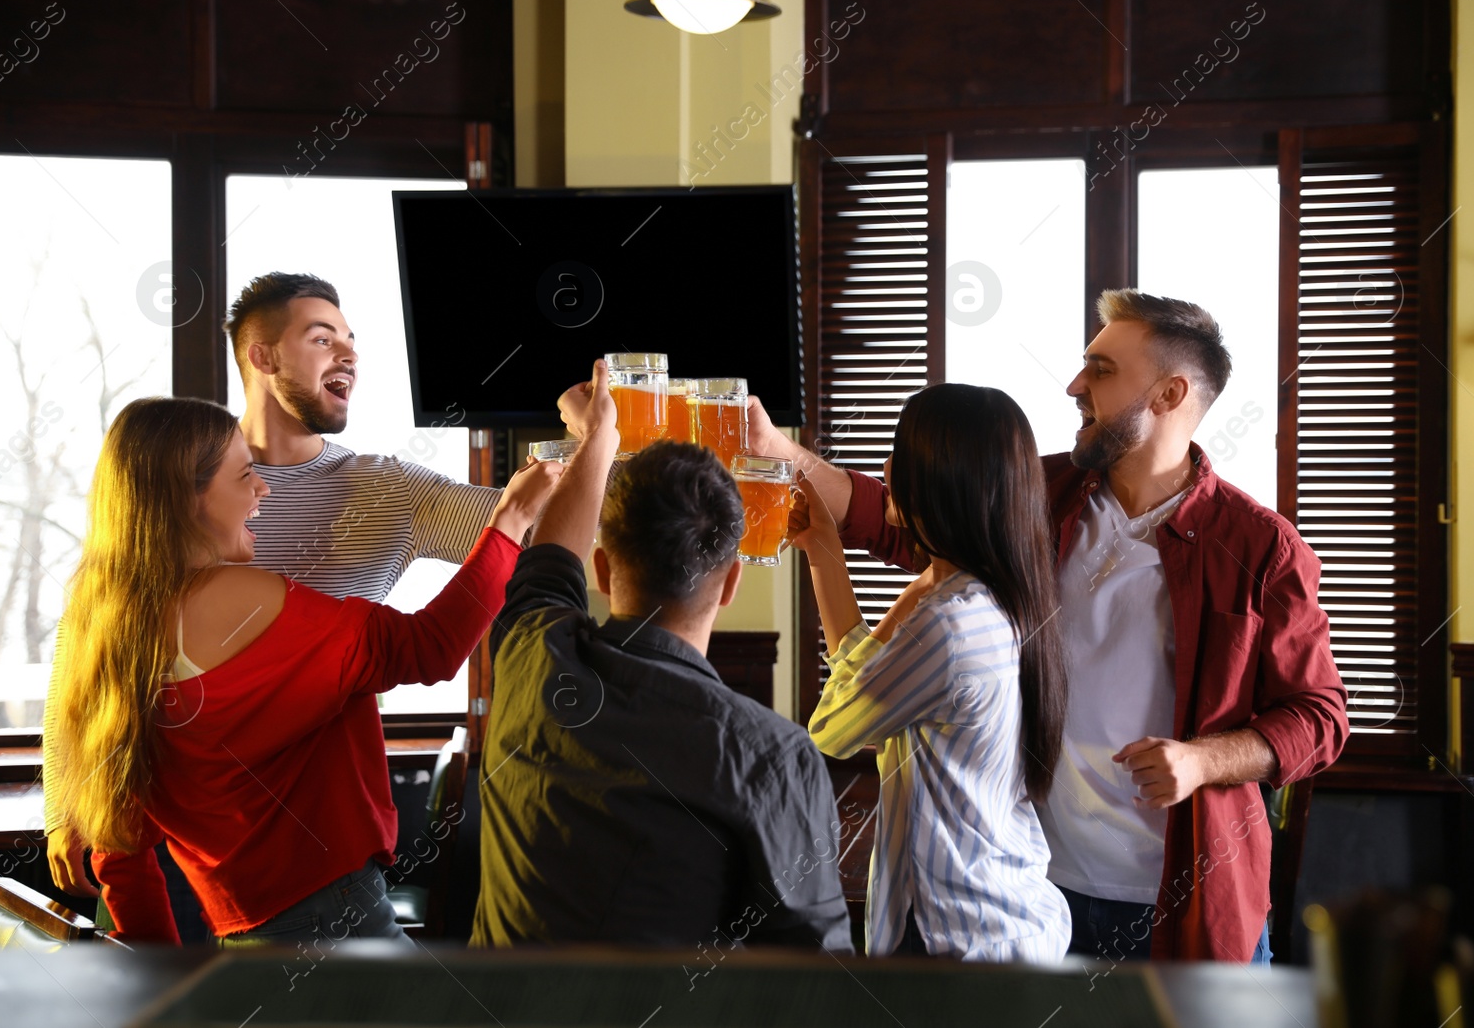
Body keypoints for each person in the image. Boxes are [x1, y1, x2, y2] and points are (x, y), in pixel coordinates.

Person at [753, 289, 1349, 963]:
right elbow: (910, 516)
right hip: (1038, 894)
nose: (1074, 385)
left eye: (1100, 370)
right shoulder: (1042, 495)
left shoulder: (1261, 545)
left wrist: (1202, 759)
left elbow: (1319, 717)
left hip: (1183, 907)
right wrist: (781, 452)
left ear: (1169, 392)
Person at [45, 272, 507, 909]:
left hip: (303, 853)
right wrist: (65, 797)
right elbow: (92, 636)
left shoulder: (388, 492)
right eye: (323, 339)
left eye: (351, 340)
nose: (349, 354)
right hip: (165, 850)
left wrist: (638, 456)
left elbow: (524, 528)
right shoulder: (179, 475)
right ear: (261, 357)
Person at [46, 397, 557, 944]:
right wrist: (511, 520)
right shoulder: (237, 597)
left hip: (247, 935)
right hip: (331, 919)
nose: (262, 490)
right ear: (186, 499)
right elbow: (429, 648)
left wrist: (163, 987)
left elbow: (119, 849)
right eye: (245, 475)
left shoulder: (105, 627)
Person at [471, 360, 852, 954]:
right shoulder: (771, 756)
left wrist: (601, 435)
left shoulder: (530, 654)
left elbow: (549, 563)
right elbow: (817, 975)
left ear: (602, 569)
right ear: (731, 584)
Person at [791, 383, 1071, 963]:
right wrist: (824, 551)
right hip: (1011, 916)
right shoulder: (1006, 597)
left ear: (941, 480)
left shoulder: (947, 623)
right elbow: (873, 707)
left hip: (953, 938)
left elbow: (835, 728)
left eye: (901, 452)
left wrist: (853, 569)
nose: (887, 468)